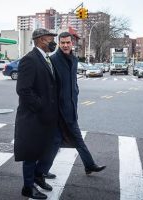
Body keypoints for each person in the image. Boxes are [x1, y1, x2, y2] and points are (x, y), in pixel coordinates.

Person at [47, 32, 106, 177]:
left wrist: (76, 91)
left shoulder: (73, 59)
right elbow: (50, 86)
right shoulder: (53, 60)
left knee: (55, 142)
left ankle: (41, 170)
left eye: (68, 42)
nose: (65, 45)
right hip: (60, 111)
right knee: (77, 139)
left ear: (72, 43)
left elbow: (73, 81)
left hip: (71, 107)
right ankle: (89, 165)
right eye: (63, 43)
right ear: (59, 44)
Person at [14, 28, 58, 199]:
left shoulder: (45, 58)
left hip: (45, 116)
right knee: (31, 154)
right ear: (40, 40)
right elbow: (23, 90)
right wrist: (41, 106)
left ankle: (37, 179)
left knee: (42, 150)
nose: (52, 41)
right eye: (50, 38)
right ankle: (27, 187)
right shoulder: (29, 60)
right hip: (33, 117)